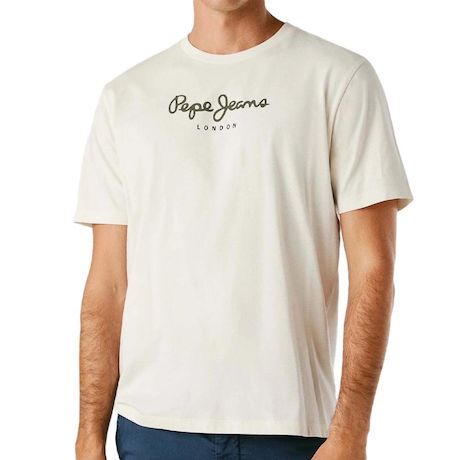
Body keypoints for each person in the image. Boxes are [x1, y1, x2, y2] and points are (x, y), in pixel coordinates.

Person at [73, 1, 413, 459]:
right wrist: (88, 433)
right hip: (152, 428)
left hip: (290, 429)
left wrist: (352, 430)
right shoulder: (126, 97)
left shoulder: (339, 78)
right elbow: (108, 284)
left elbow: (373, 267)